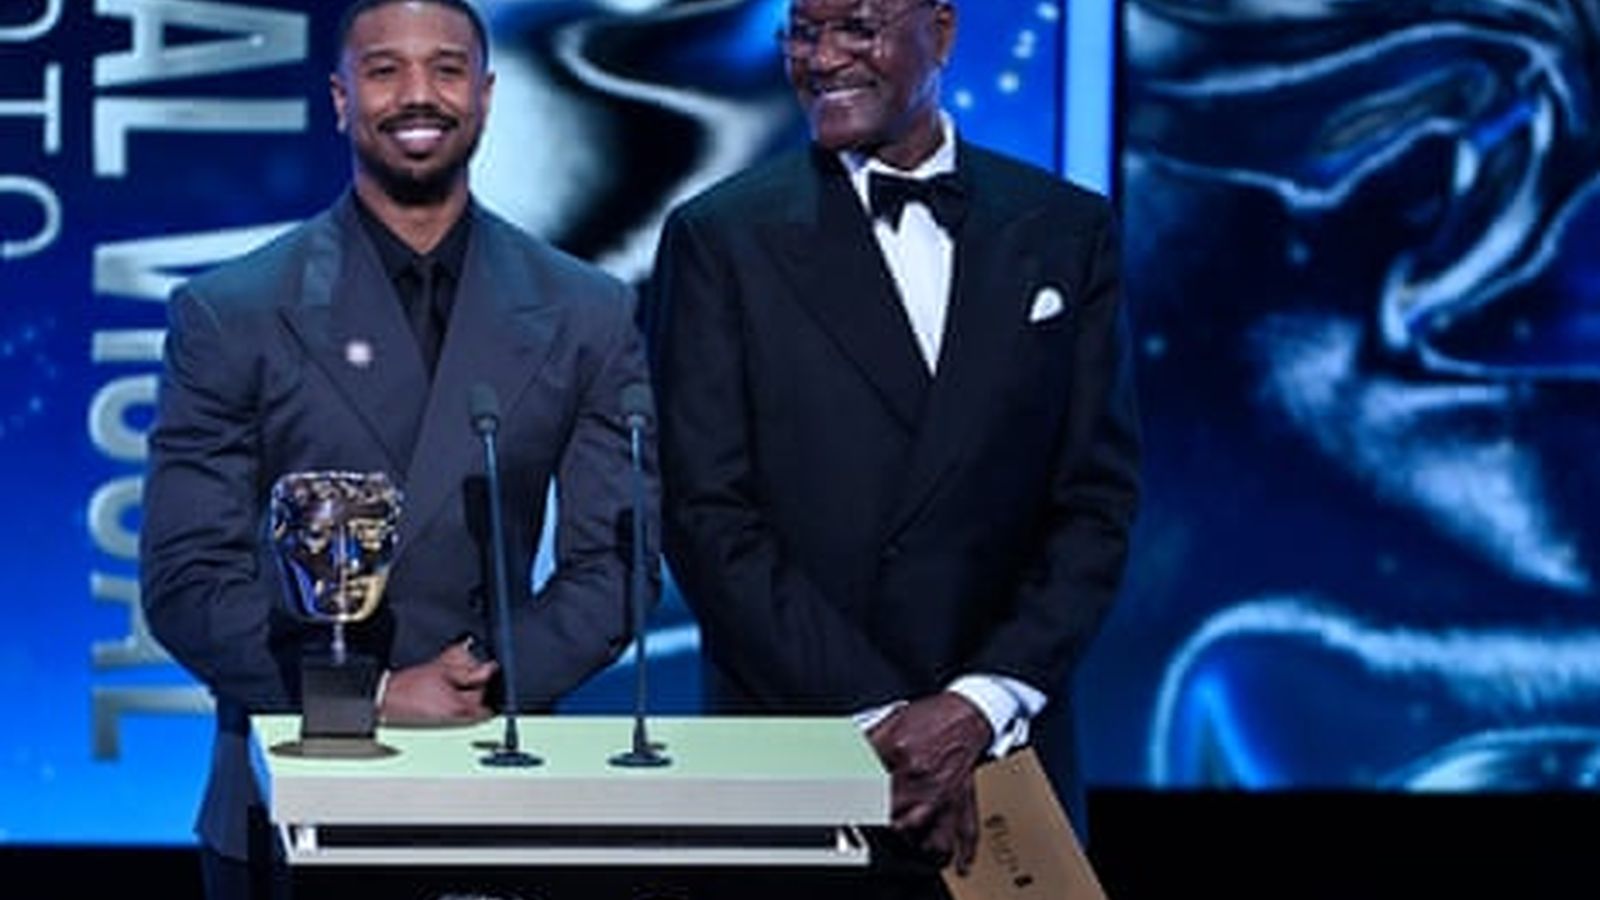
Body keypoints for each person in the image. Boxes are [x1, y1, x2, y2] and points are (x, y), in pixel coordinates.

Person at [138, 1, 654, 897]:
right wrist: (372, 701)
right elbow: (187, 581)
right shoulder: (233, 312)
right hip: (288, 797)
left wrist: (473, 686)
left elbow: (616, 564)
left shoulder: (588, 312)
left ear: (487, 97)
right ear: (340, 99)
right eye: (384, 70)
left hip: (500, 782)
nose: (420, 94)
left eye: (448, 69)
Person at [646, 0, 1141, 895]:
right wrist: (886, 719)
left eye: (858, 28)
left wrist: (978, 703)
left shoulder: (1067, 231)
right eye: (803, 31)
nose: (824, 58)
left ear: (942, 31)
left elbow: (1094, 504)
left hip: (1003, 758)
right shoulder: (720, 237)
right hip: (801, 753)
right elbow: (705, 511)